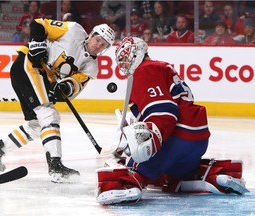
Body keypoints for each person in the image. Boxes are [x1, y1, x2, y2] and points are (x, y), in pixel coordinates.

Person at [95, 36, 249, 205]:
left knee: (135, 166)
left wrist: (150, 143)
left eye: (124, 58)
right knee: (169, 174)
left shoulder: (145, 70)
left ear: (135, 53)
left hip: (175, 140)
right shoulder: (161, 67)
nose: (123, 65)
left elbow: (163, 111)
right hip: (197, 141)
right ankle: (207, 175)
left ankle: (128, 184)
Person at [0, 19, 115, 183]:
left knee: (36, 125)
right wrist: (36, 43)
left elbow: (75, 86)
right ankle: (55, 166)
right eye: (98, 39)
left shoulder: (91, 67)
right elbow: (38, 24)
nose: (98, 45)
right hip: (28, 66)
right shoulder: (73, 30)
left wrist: (64, 88)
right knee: (49, 115)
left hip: (36, 78)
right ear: (91, 34)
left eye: (103, 45)